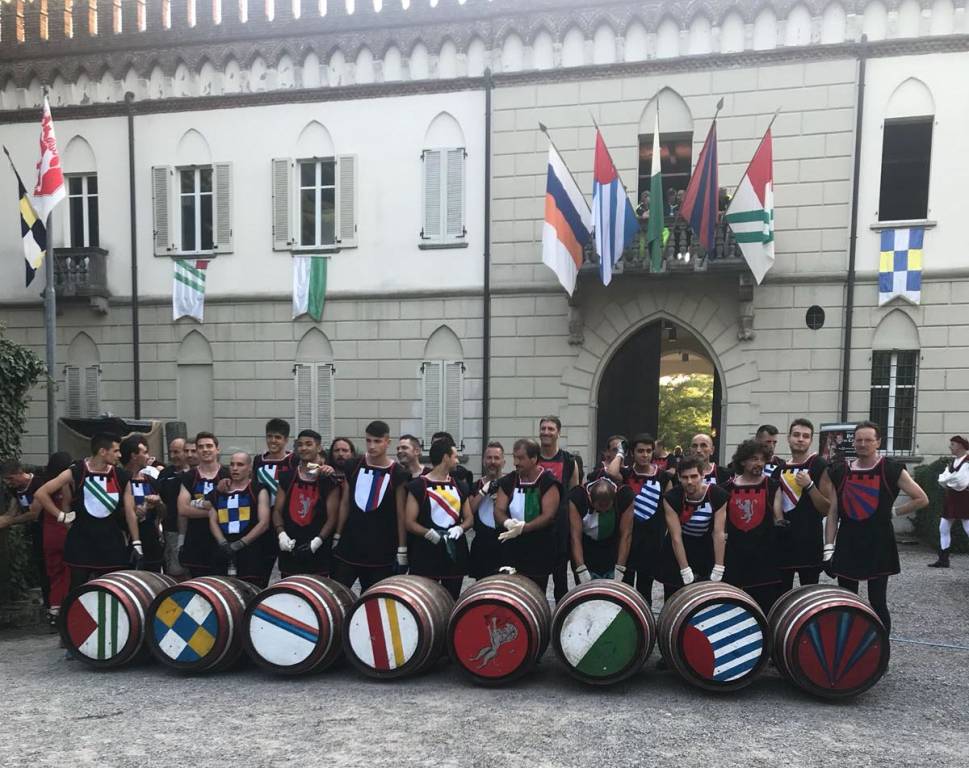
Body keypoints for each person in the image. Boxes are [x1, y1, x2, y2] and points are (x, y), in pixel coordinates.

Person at [826, 421, 928, 632]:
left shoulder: (891, 468)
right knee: (847, 601)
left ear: (878, 442)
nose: (863, 444)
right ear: (853, 442)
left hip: (879, 542)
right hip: (848, 541)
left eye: (868, 440)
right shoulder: (840, 471)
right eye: (859, 440)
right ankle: (849, 647)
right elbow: (834, 512)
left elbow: (921, 498)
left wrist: (893, 512)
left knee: (878, 602)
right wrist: (828, 547)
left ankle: (881, 654)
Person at [34, 433, 140, 591]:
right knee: (77, 589)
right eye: (116, 450)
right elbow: (41, 493)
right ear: (103, 451)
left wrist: (136, 542)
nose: (120, 455)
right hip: (81, 542)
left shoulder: (122, 476)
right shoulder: (76, 471)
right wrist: (61, 516)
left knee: (113, 589)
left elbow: (130, 511)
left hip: (111, 542)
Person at [332, 421, 411, 590]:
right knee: (337, 592)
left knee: (374, 601)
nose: (372, 446)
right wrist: (337, 535)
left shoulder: (398, 473)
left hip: (382, 548)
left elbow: (400, 513)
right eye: (368, 441)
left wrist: (402, 548)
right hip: (350, 544)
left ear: (387, 442)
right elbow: (344, 503)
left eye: (377, 441)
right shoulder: (353, 465)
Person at [405, 439, 473, 598]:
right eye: (455, 456)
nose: (457, 460)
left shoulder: (460, 486)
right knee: (424, 599)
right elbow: (409, 522)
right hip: (425, 555)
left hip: (454, 555)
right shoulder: (417, 486)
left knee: (451, 598)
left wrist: (460, 528)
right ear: (445, 458)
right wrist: (428, 533)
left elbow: (469, 518)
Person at [493, 438, 561, 593]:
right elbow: (499, 510)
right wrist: (508, 523)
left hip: (538, 550)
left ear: (534, 458)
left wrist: (525, 527)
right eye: (514, 457)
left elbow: (548, 515)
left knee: (535, 591)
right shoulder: (508, 481)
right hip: (511, 549)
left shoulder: (548, 482)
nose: (516, 462)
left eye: (521, 458)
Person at [723, 440, 783, 615]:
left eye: (762, 459)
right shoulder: (726, 488)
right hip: (735, 558)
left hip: (764, 559)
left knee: (765, 609)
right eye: (754, 459)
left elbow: (778, 518)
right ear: (742, 461)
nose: (759, 463)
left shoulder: (772, 486)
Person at [658, 454, 729, 599]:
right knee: (674, 596)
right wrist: (684, 569)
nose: (690, 482)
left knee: (707, 597)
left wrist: (719, 566)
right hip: (678, 549)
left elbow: (719, 533)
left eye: (694, 476)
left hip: (705, 547)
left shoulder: (717, 495)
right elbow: (675, 537)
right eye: (685, 477)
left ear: (703, 475)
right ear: (678, 478)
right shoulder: (671, 498)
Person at [273, 430, 339, 578]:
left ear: (319, 447)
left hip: (318, 550)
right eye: (300, 445)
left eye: (309, 444)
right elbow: (277, 510)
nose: (303, 448)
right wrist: (281, 534)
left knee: (316, 594)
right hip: (290, 546)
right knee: (288, 591)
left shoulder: (329, 479)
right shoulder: (287, 476)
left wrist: (317, 541)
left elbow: (332, 517)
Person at [776, 418, 832, 589]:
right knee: (781, 594)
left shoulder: (819, 465)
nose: (800, 439)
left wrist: (809, 486)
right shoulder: (779, 469)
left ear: (810, 440)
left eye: (806, 436)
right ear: (788, 437)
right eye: (796, 435)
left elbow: (827, 508)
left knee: (809, 594)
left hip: (809, 542)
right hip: (784, 542)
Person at [615, 433, 671, 605]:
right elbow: (611, 472)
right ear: (632, 453)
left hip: (652, 541)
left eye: (648, 451)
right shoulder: (625, 474)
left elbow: (669, 510)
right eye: (640, 451)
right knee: (625, 588)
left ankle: (645, 624)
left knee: (645, 588)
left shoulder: (663, 477)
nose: (645, 455)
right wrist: (619, 452)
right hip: (628, 540)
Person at [209, 451, 273, 587]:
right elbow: (213, 520)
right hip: (223, 551)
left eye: (240, 464)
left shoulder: (258, 489)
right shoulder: (220, 490)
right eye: (232, 464)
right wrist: (222, 543)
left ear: (249, 467)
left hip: (251, 553)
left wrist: (241, 543)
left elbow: (264, 523)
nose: (235, 468)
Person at [1, 458, 52, 618]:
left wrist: (10, 521)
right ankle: (47, 603)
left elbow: (33, 513)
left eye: (10, 478)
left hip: (47, 528)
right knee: (40, 567)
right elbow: (13, 510)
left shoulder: (38, 483)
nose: (9, 483)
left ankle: (53, 603)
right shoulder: (15, 490)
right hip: (34, 533)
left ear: (19, 473)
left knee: (49, 567)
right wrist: (5, 518)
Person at [537, 416, 580, 603]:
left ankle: (559, 619)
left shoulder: (569, 461)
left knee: (560, 578)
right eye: (543, 428)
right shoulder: (532, 458)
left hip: (561, 527)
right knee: (537, 578)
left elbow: (575, 495)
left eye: (550, 429)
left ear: (558, 433)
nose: (546, 432)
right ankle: (537, 619)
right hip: (536, 525)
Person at [176, 432, 228, 578]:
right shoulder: (189, 477)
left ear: (217, 449)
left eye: (209, 446)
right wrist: (212, 513)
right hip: (196, 542)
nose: (205, 449)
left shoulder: (228, 474)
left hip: (222, 540)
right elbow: (183, 508)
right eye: (201, 447)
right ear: (197, 451)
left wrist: (196, 505)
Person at [569, 476, 634, 582]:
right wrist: (581, 569)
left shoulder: (625, 496)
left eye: (607, 508)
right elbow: (575, 536)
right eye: (600, 508)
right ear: (590, 499)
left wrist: (620, 568)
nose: (603, 512)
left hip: (613, 549)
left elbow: (626, 534)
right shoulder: (577, 496)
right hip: (587, 550)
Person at [120, 434, 165, 572]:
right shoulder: (119, 480)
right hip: (125, 542)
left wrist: (158, 504)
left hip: (151, 542)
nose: (148, 456)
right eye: (144, 452)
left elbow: (164, 513)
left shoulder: (151, 481)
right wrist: (131, 512)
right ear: (134, 455)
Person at [929, 435, 969, 568]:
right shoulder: (952, 462)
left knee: (968, 529)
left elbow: (961, 482)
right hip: (951, 498)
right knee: (943, 528)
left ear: (961, 446)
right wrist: (950, 480)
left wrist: (948, 480)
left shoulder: (968, 461)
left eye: (952, 444)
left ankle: (944, 559)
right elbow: (942, 479)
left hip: (965, 499)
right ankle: (943, 559)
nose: (950, 447)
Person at [469, 441, 505, 579]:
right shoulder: (475, 486)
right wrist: (482, 493)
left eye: (496, 458)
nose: (492, 462)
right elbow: (470, 510)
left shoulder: (511, 483)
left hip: (505, 545)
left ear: (503, 461)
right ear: (484, 461)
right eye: (489, 458)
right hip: (482, 545)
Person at [157, 438, 190, 576]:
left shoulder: (194, 474)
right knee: (175, 570)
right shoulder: (165, 474)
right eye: (170, 452)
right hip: (171, 530)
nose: (172, 456)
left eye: (176, 452)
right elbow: (160, 501)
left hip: (193, 529)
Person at [252, 418, 299, 509]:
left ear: (286, 440)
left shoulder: (294, 459)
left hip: (286, 512)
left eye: (278, 437)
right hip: (262, 511)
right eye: (269, 436)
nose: (273, 440)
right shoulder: (258, 460)